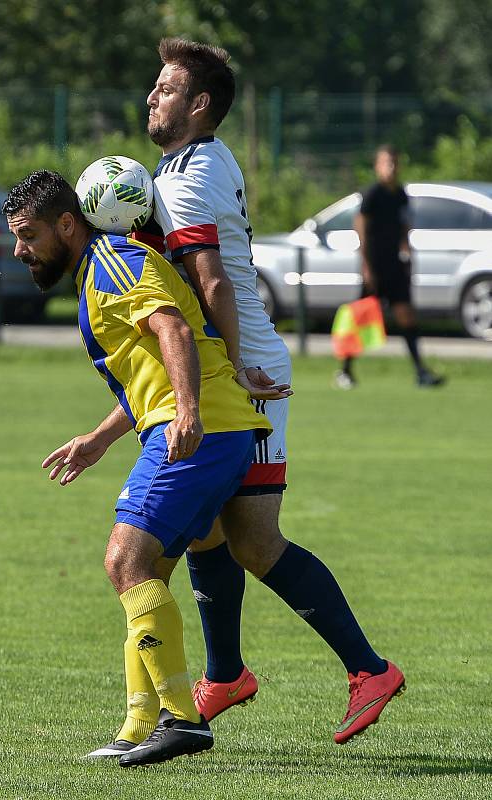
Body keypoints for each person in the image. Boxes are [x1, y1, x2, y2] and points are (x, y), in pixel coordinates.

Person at [137, 37, 404, 746]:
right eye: (153, 86)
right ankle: (225, 676)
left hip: (242, 367)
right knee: (203, 525)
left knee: (252, 541)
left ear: (199, 104)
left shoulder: (190, 173)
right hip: (230, 360)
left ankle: (368, 669)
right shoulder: (189, 162)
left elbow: (213, 279)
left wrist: (228, 365)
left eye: (166, 87)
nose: (151, 96)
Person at [3, 169, 275, 767]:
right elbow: (146, 369)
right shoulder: (96, 272)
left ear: (68, 224)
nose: (20, 250)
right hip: (208, 426)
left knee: (124, 560)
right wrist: (97, 440)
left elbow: (173, 329)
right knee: (145, 568)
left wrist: (189, 412)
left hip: (205, 429)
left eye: (28, 235)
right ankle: (139, 724)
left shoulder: (111, 262)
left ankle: (184, 720)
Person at [335, 144, 445, 389]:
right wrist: (365, 266)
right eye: (387, 163)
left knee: (406, 316)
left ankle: (420, 372)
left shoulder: (400, 195)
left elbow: (404, 226)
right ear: (377, 166)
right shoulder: (372, 194)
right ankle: (345, 372)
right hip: (374, 267)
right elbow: (360, 225)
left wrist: (407, 252)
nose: (391, 168)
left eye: (395, 162)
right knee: (360, 319)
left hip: (394, 267)